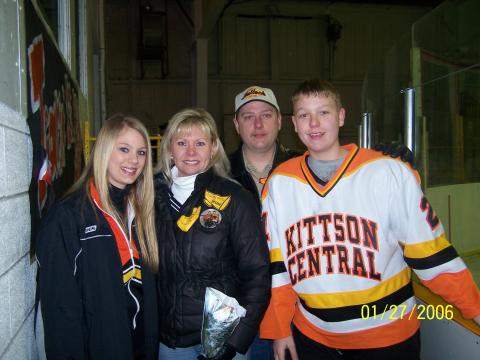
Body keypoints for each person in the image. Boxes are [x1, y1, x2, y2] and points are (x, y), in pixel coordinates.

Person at [259, 79, 480, 360]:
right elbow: (278, 266)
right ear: (294, 123)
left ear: (341, 116)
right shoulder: (279, 183)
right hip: (312, 337)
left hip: (388, 338)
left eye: (323, 112)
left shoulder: (388, 172)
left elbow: (432, 256)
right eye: (304, 115)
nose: (314, 123)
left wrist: (475, 309)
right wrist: (279, 328)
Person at [35, 114, 160, 359]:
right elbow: (60, 311)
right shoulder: (69, 216)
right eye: (124, 149)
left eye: (142, 152)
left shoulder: (140, 210)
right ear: (103, 150)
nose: (134, 160)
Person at [154, 108, 271, 360]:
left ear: (214, 147)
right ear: (169, 149)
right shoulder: (150, 197)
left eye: (200, 143)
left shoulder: (236, 198)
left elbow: (257, 274)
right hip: (170, 341)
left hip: (224, 334)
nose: (191, 152)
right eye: (182, 143)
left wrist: (237, 338)